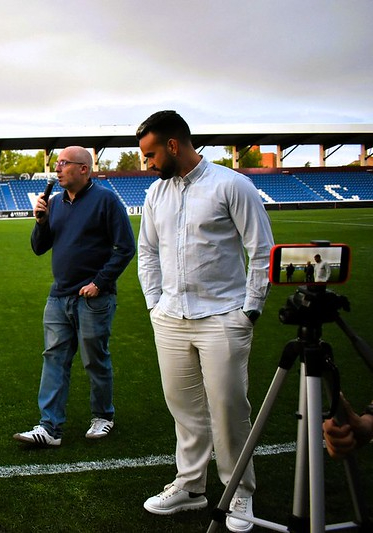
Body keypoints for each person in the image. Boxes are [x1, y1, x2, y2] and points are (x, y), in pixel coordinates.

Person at [136, 111, 274, 533]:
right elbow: (147, 252)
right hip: (170, 318)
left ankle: (239, 492)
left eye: (151, 154)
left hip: (223, 316)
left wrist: (249, 310)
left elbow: (261, 249)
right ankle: (191, 486)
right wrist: (155, 304)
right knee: (184, 409)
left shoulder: (232, 184)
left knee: (229, 409)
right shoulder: (155, 193)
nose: (147, 163)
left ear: (173, 145)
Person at [13, 146, 136, 447]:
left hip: (93, 298)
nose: (57, 168)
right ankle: (49, 427)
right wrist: (41, 222)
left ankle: (103, 416)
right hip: (59, 296)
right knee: (54, 359)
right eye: (57, 163)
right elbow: (39, 248)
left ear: (83, 169)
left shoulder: (106, 200)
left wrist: (100, 283)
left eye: (64, 163)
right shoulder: (55, 203)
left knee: (95, 359)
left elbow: (125, 247)